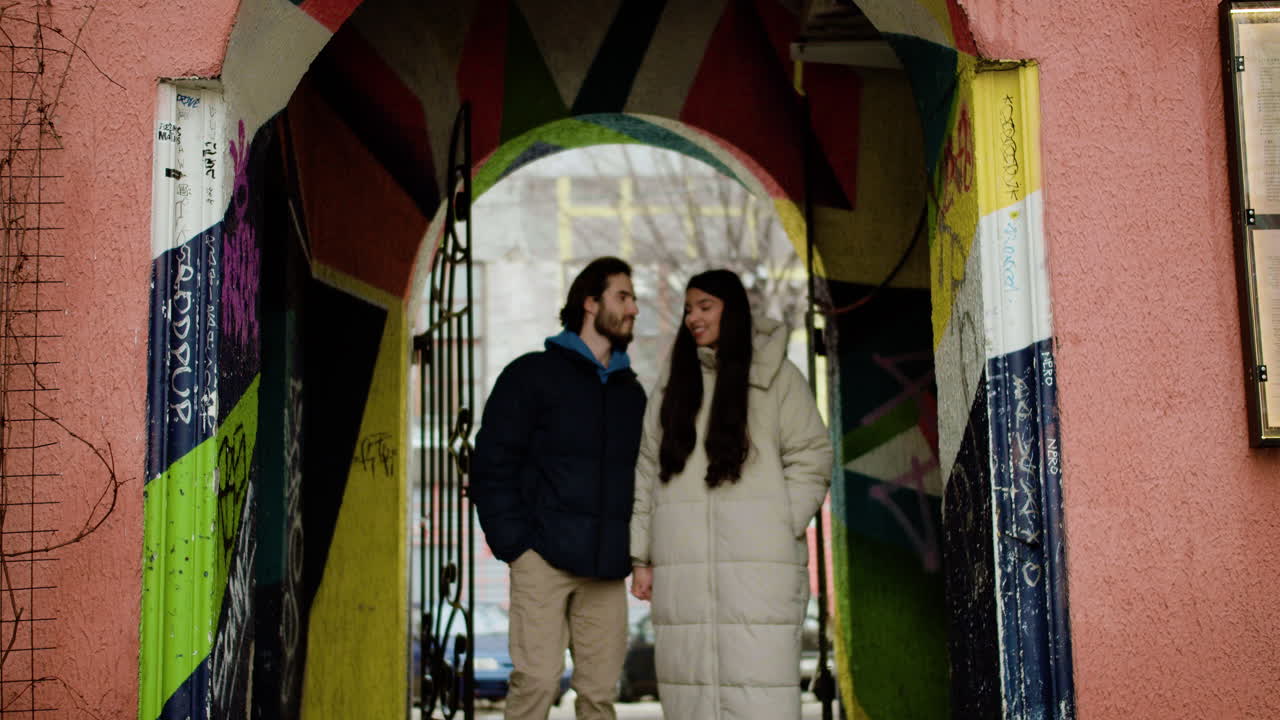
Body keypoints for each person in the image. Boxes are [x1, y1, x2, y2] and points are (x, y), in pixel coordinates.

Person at [629, 269, 832, 720]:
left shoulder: (777, 377)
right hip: (683, 571)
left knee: (759, 692)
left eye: (705, 307)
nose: (693, 318)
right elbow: (648, 470)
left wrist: (779, 522)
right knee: (691, 694)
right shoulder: (672, 384)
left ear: (732, 310)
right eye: (687, 309)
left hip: (760, 569)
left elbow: (812, 455)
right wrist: (641, 557)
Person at [470, 256, 646, 720]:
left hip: (608, 570)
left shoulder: (632, 394)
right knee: (537, 684)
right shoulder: (531, 375)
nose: (634, 309)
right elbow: (491, 464)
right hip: (542, 558)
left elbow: (645, 480)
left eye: (633, 298)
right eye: (623, 296)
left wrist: (640, 554)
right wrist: (517, 545)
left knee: (599, 696)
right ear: (590, 303)